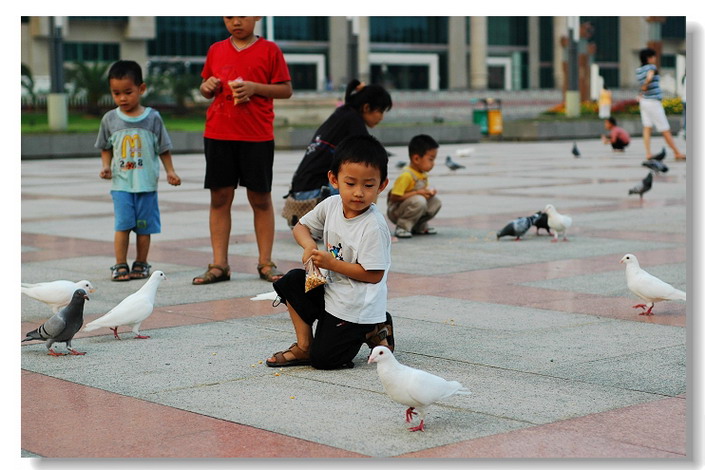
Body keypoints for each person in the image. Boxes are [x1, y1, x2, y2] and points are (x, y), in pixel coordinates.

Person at [266, 135, 394, 370]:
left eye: (368, 185)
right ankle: (304, 346)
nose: (358, 193)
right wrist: (309, 246)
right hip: (331, 291)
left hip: (356, 307)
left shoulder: (373, 226)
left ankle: (373, 326)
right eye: (350, 183)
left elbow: (373, 274)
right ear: (334, 179)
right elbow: (301, 227)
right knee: (291, 281)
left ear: (382, 185)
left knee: (325, 360)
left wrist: (331, 264)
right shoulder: (332, 204)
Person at [194, 17, 293, 285]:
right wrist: (207, 87)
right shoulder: (216, 49)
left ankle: (265, 262)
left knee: (260, 198)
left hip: (257, 135)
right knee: (219, 197)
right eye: (229, 16)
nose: (236, 21)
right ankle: (219, 265)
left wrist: (254, 88)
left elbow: (286, 90)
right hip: (218, 133)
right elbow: (204, 87)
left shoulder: (270, 50)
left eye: (242, 14)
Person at [96, 60, 181, 282]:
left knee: (144, 228)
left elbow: (163, 148)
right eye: (116, 93)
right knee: (122, 226)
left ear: (141, 89)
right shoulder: (110, 119)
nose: (122, 98)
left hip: (146, 186)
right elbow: (105, 148)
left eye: (128, 92)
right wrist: (106, 166)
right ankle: (120, 264)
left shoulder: (153, 118)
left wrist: (170, 171)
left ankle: (141, 263)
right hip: (122, 186)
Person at [281, 79, 392, 228]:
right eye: (380, 111)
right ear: (366, 107)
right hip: (313, 198)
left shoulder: (342, 114)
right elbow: (372, 157)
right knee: (369, 179)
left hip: (300, 196)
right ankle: (365, 228)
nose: (382, 117)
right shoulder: (353, 120)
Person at [387, 134, 442, 239]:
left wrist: (428, 193)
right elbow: (394, 197)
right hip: (396, 211)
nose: (433, 163)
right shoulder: (406, 175)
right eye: (431, 159)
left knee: (435, 202)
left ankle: (418, 225)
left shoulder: (422, 175)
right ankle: (402, 226)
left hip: (413, 205)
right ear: (416, 158)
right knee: (419, 201)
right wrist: (418, 193)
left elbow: (422, 194)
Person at [636, 48, 685, 161]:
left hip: (644, 102)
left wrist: (642, 90)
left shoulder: (638, 70)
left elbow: (642, 83)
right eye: (653, 56)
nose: (655, 59)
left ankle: (648, 153)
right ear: (649, 58)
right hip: (653, 102)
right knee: (664, 128)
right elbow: (649, 76)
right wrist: (646, 84)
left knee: (647, 127)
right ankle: (676, 152)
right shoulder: (651, 67)